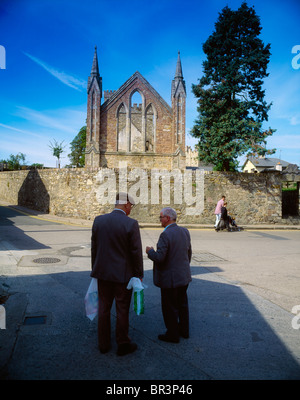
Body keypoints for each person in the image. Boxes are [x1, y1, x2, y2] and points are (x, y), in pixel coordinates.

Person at [91, 192, 144, 356]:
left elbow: (95, 248)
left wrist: (95, 269)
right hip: (123, 276)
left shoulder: (98, 221)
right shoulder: (131, 224)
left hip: (103, 274)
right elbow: (136, 252)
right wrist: (139, 274)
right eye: (131, 206)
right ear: (126, 204)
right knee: (122, 310)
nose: (131, 209)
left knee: (103, 309)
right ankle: (122, 343)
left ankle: (103, 344)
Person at [146, 207, 192, 343]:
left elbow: (160, 258)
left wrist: (150, 251)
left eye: (161, 217)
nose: (159, 220)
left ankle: (172, 334)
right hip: (183, 276)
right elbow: (188, 253)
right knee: (182, 304)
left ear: (167, 218)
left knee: (169, 307)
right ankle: (184, 331)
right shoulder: (185, 231)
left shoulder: (165, 235)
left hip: (170, 279)